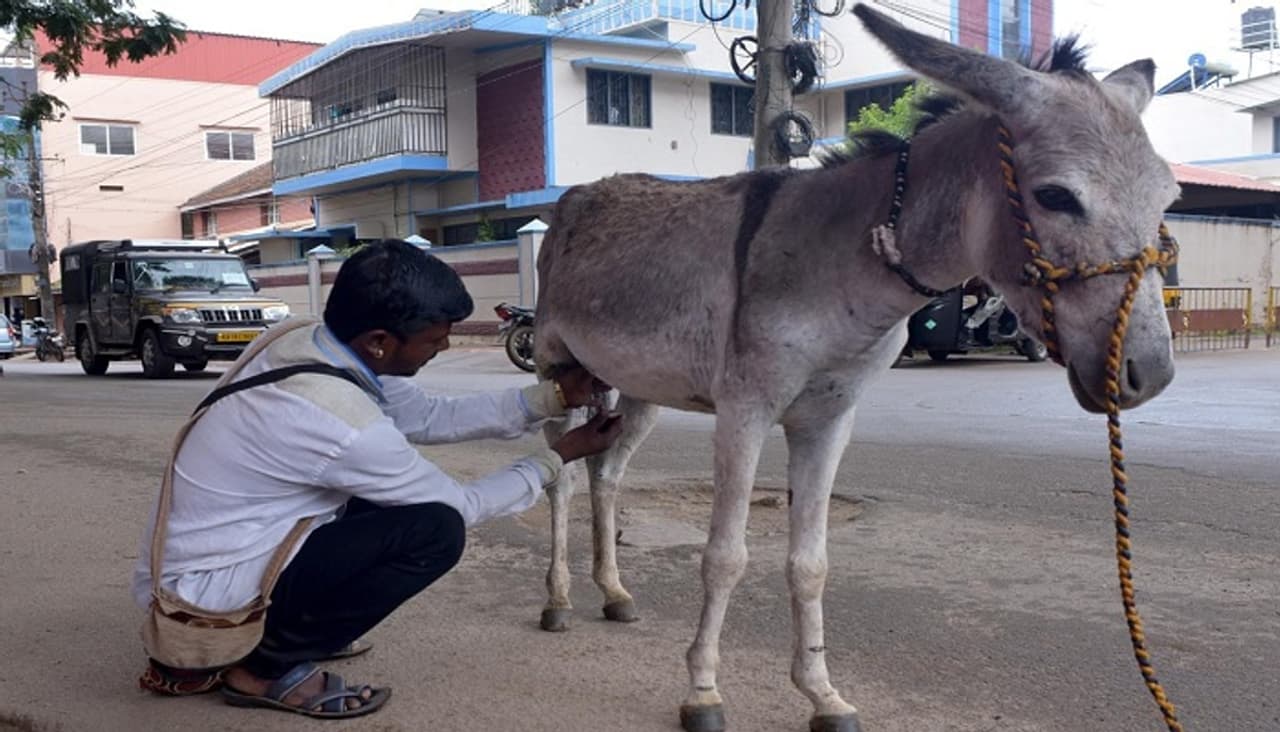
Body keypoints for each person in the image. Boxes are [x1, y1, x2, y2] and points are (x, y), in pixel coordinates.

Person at [133, 239, 622, 719]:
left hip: (214, 555)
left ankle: (290, 626)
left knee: (384, 504)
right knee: (435, 531)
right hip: (201, 605)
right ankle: (264, 666)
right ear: (379, 342)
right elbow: (462, 506)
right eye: (434, 339)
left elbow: (429, 415)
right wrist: (560, 456)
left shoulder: (306, 340)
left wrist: (556, 396)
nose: (444, 347)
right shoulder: (339, 421)